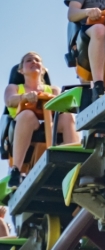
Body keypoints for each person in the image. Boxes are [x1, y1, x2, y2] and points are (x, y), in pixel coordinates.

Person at [4, 53, 80, 187]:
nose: (34, 62)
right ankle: (16, 170)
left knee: (68, 116)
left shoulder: (53, 89)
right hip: (26, 124)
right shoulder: (14, 88)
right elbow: (10, 101)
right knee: (27, 115)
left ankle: (76, 164)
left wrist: (48, 97)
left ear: (43, 70)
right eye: (29, 60)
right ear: (21, 70)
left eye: (37, 60)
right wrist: (25, 97)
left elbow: (61, 107)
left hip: (50, 123)